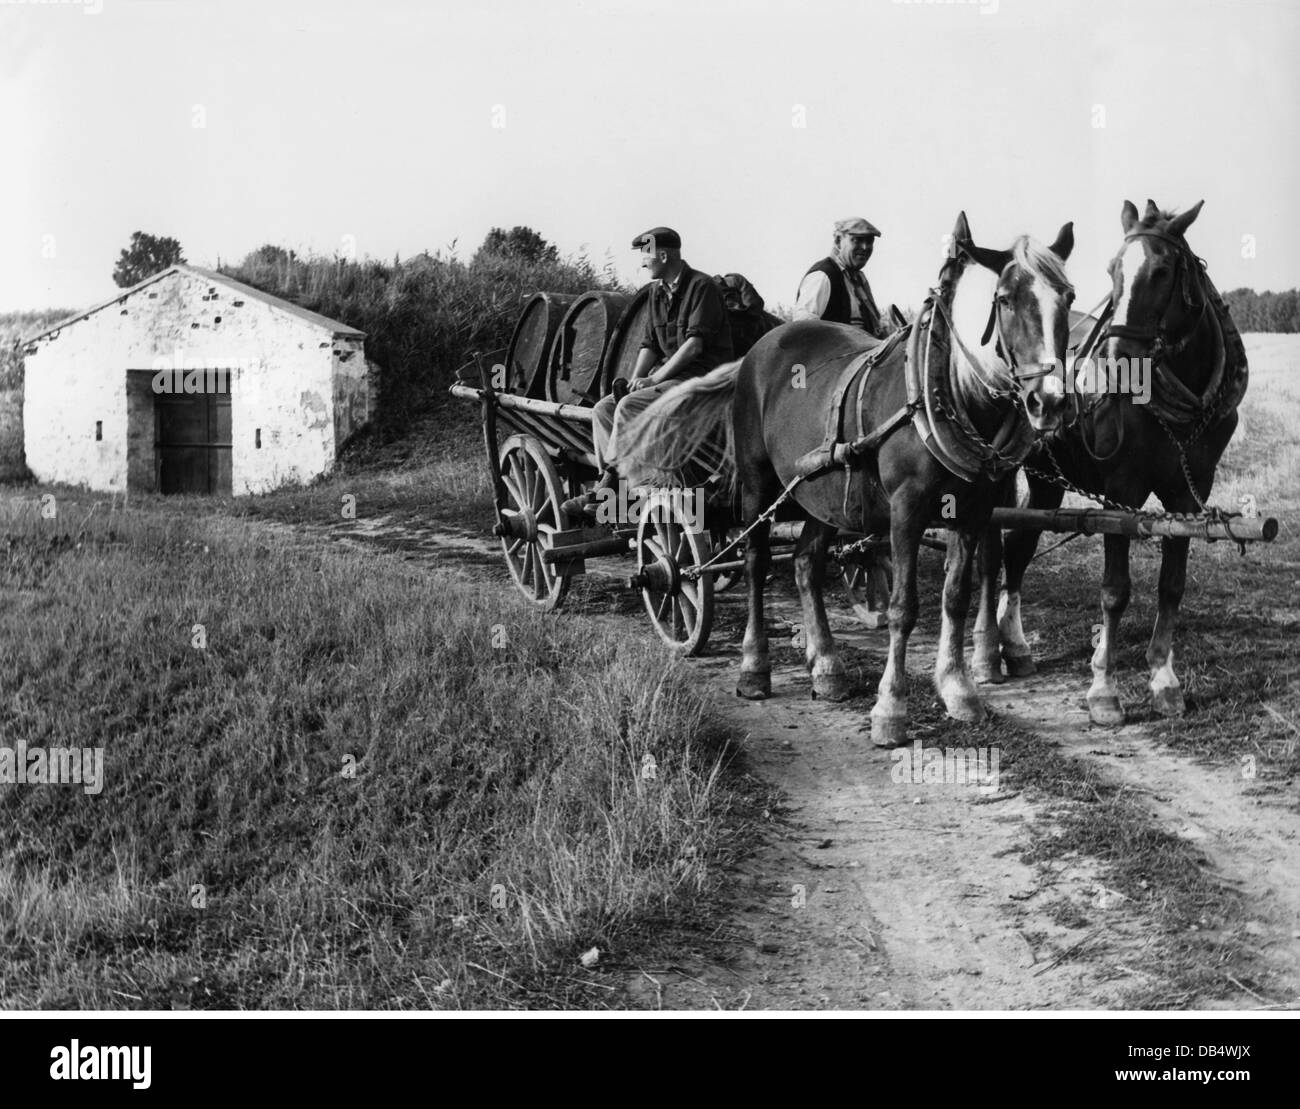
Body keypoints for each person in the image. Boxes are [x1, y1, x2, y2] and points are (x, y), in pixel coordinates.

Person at [562, 227, 733, 519]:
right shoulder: (656, 293)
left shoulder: (701, 287)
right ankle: (618, 486)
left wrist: (653, 380)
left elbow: (693, 346)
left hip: (703, 382)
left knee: (628, 407)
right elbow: (650, 344)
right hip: (671, 381)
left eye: (646, 257)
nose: (642, 264)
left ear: (663, 256)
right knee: (604, 408)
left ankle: (615, 485)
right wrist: (633, 381)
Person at [794, 217, 889, 338]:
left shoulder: (859, 280)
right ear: (838, 241)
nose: (865, 247)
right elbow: (803, 328)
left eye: (869, 241)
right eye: (857, 240)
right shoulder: (823, 275)